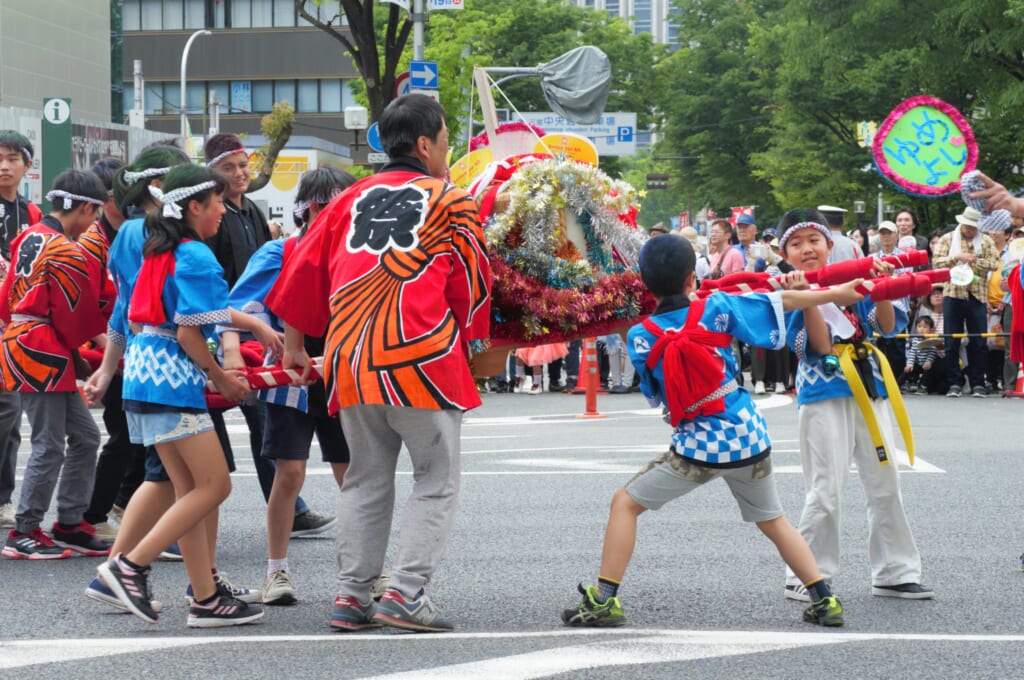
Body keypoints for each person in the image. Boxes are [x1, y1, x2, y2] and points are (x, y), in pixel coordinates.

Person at [561, 234, 869, 629]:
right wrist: (834, 292)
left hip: (698, 448)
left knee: (625, 504)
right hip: (749, 436)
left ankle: (604, 601)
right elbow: (780, 302)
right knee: (773, 519)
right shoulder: (717, 307)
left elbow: (659, 397)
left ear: (645, 283)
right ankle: (824, 599)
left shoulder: (641, 336)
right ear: (693, 278)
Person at [267, 94, 490, 633]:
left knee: (365, 479)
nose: (446, 151)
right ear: (423, 144)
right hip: (422, 357)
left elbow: (300, 269)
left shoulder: (348, 199)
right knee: (435, 478)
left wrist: (295, 343)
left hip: (351, 359)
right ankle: (406, 593)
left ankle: (351, 595)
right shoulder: (451, 200)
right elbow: (474, 288)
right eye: (443, 140)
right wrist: (478, 352)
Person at [95, 164, 279, 627]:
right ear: (194, 206)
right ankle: (129, 567)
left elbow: (168, 315)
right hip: (171, 380)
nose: (223, 209)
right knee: (215, 485)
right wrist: (221, 378)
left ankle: (205, 598)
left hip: (143, 373)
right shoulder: (196, 255)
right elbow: (191, 333)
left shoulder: (162, 247)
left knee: (188, 489)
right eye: (216, 202)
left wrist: (251, 323)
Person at [778, 207, 933, 602]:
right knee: (825, 487)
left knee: (886, 482)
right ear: (785, 254)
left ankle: (895, 571)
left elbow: (886, 326)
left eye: (814, 240)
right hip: (822, 393)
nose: (807, 249)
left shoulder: (852, 278)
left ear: (830, 245)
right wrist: (812, 297)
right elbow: (818, 346)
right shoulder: (788, 291)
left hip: (870, 384)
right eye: (796, 244)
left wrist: (879, 287)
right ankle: (808, 573)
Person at [224, 166, 357, 606]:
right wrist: (260, 338)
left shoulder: (355, 254)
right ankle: (275, 572)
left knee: (353, 477)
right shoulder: (279, 252)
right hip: (288, 377)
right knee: (290, 474)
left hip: (340, 375)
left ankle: (368, 570)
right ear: (311, 208)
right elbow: (239, 308)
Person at [202, 133, 334, 538]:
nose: (240, 174)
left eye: (243, 165)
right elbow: (230, 294)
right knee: (200, 451)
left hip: (274, 339)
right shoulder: (213, 220)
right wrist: (231, 349)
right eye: (229, 168)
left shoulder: (252, 212)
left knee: (251, 432)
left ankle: (293, 509)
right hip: (225, 332)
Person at [0, 169, 109, 559]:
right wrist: (102, 345)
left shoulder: (28, 236)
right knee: (49, 444)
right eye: (95, 214)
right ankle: (24, 531)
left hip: (25, 340)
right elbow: (73, 313)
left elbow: (5, 298)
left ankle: (69, 521)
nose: (94, 223)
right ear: (84, 207)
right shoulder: (64, 248)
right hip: (43, 349)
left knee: (85, 436)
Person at [79, 157, 145, 543]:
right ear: (105, 199)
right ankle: (95, 513)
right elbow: (88, 307)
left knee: (135, 437)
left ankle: (121, 505)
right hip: (108, 346)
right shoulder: (92, 241)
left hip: (125, 345)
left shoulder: (133, 230)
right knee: (122, 435)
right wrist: (110, 356)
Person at [0, 130, 41, 530]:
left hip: (14, 322)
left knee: (10, 415)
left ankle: (3, 497)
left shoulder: (30, 213)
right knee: (7, 408)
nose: (4, 166)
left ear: (27, 166)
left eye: (13, 158)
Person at [931, 206, 1000, 397]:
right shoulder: (948, 238)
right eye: (967, 226)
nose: (970, 230)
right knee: (951, 340)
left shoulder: (985, 240)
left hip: (977, 295)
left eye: (973, 227)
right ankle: (955, 383)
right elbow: (936, 262)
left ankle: (978, 382)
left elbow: (994, 263)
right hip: (953, 293)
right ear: (961, 223)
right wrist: (957, 257)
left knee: (978, 341)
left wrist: (974, 261)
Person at [902, 316, 940, 395]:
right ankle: (899, 384)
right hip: (918, 363)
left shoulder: (932, 339)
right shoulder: (915, 339)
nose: (921, 329)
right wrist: (909, 364)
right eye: (919, 326)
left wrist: (928, 362)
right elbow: (912, 352)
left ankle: (923, 387)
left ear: (931, 329)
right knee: (908, 369)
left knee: (928, 370)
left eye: (925, 327)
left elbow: (932, 352)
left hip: (928, 364)